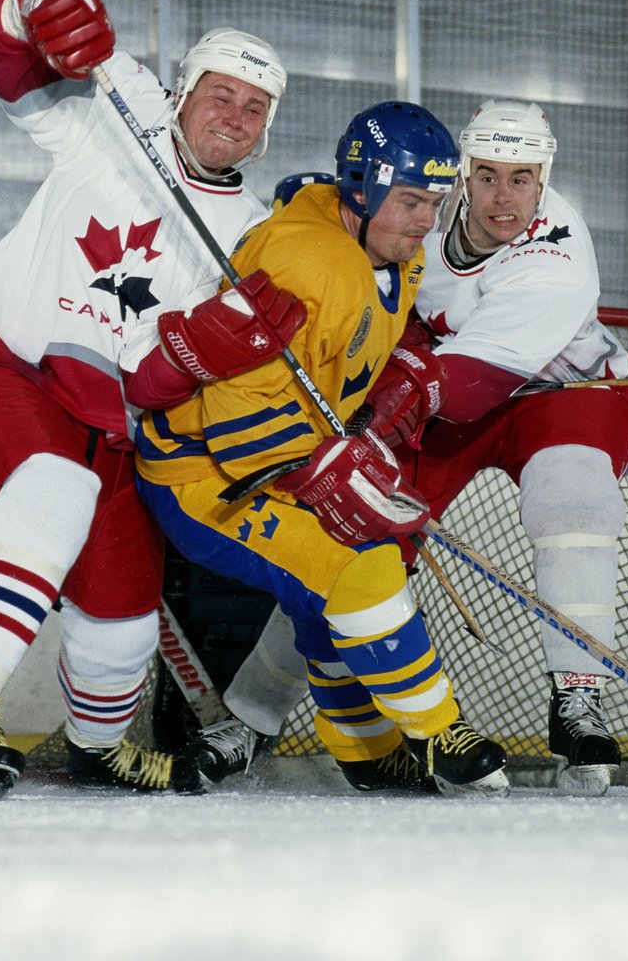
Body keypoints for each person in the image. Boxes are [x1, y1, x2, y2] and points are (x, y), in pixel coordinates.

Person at [0, 0, 302, 799]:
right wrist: (27, 8)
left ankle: (98, 750)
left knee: (123, 623)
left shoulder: (258, 238)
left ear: (267, 128)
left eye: (253, 106)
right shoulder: (111, 121)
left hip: (117, 433)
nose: (232, 116)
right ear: (185, 91)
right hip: (7, 375)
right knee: (50, 489)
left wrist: (209, 353)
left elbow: (168, 380)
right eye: (219, 94)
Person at [189, 100, 628, 797]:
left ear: (544, 178)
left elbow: (462, 383)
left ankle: (578, 699)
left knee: (572, 492)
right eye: (486, 176)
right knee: (347, 536)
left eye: (522, 180)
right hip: (440, 396)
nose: (502, 198)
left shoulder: (559, 257)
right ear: (462, 172)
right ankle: (251, 717)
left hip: (558, 394)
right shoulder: (422, 217)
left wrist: (367, 429)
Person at [137, 101, 513, 798]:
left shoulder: (391, 251)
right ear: (361, 187)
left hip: (272, 457)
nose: (424, 220)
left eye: (434, 202)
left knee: (327, 593)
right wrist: (318, 475)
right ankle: (437, 732)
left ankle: (369, 753)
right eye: (409, 201)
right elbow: (237, 404)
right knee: (359, 568)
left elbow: (351, 348)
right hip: (203, 473)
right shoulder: (304, 261)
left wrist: (394, 379)